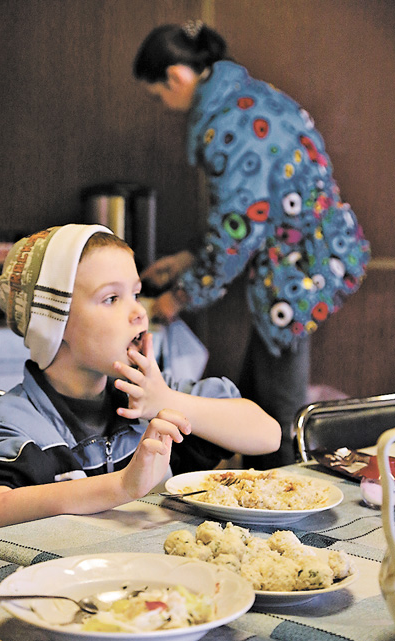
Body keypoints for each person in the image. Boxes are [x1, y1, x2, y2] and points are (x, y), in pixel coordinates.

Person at [133, 21, 370, 468]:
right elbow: (254, 214)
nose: (164, 106)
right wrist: (187, 261)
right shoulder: (249, 99)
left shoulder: (230, 124)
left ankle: (283, 510)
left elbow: (235, 234)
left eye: (158, 94)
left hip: (300, 269)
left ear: (176, 77)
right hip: (313, 254)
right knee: (258, 393)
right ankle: (255, 487)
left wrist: (174, 299)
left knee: (281, 414)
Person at [0, 224, 281, 530]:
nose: (139, 312)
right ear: (52, 323)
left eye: (136, 294)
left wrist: (167, 401)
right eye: (111, 298)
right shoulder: (18, 420)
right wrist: (124, 485)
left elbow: (267, 435)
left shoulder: (150, 392)